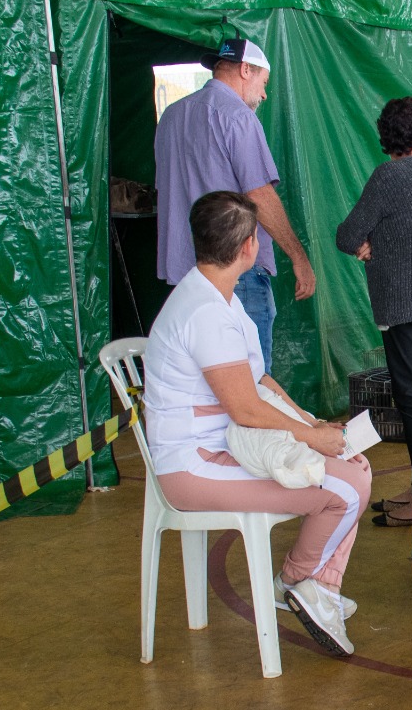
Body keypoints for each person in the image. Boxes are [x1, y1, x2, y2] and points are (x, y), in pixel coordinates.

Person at [142, 191, 369, 657]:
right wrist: (310, 436)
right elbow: (245, 407)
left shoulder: (218, 297)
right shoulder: (204, 311)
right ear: (248, 247)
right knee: (346, 490)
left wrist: (313, 423)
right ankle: (303, 586)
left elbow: (260, 377)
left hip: (227, 445)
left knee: (355, 467)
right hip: (196, 465)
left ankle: (306, 586)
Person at [155, 38, 316, 372]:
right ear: (246, 70)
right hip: (234, 269)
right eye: (264, 83)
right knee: (251, 377)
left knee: (203, 377)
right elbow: (259, 195)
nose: (265, 94)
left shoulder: (170, 117)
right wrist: (299, 257)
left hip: (185, 275)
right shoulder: (237, 117)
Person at [336, 97, 412, 527]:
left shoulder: (389, 176)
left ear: (386, 136)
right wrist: (378, 242)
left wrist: (366, 246)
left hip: (400, 303)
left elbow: (347, 234)